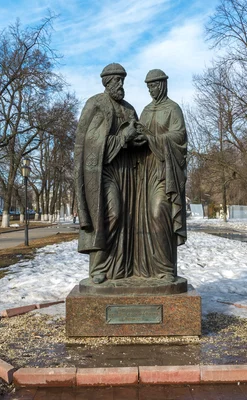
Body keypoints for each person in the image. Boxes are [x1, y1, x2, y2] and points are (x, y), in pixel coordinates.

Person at [74, 63, 140, 284]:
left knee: (127, 220)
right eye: (117, 80)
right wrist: (122, 139)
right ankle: (98, 267)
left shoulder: (130, 109)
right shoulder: (95, 104)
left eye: (123, 80)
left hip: (127, 172)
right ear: (107, 82)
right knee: (111, 214)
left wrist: (137, 139)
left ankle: (122, 266)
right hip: (101, 172)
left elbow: (136, 141)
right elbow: (89, 142)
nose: (121, 84)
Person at [133, 69, 188, 282]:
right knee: (142, 219)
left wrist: (152, 137)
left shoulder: (173, 109)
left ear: (163, 85)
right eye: (148, 86)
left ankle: (166, 268)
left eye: (154, 85)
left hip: (164, 171)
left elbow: (179, 137)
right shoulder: (146, 110)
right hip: (145, 172)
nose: (151, 90)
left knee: (159, 213)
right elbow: (141, 135)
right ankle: (146, 269)